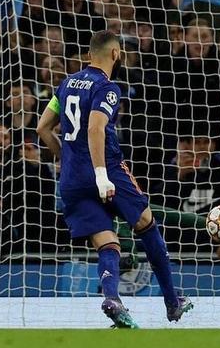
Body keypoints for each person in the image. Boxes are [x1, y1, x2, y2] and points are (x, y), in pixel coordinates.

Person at [36, 30, 191, 328]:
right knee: (147, 225)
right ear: (116, 54)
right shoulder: (108, 88)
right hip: (107, 169)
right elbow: (95, 128)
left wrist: (65, 159)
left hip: (71, 179)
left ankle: (112, 298)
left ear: (88, 55)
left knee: (107, 242)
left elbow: (43, 128)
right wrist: (101, 175)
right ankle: (173, 302)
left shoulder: (66, 84)